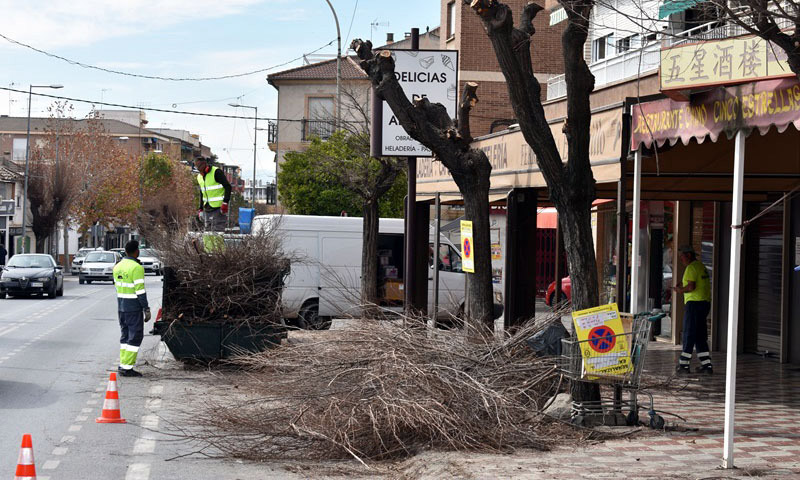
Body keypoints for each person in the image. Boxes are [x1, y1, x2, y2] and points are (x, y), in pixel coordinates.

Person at [672, 245, 712, 375]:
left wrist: (679, 290)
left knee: (689, 333)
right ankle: (707, 365)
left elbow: (691, 287)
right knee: (700, 335)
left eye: (682, 256)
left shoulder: (691, 267)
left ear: (688, 255)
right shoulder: (701, 266)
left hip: (694, 305)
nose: (681, 259)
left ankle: (684, 365)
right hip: (704, 304)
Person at [113, 240, 151, 377]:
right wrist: (146, 308)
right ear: (137, 251)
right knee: (135, 337)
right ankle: (127, 367)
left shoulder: (117, 267)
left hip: (121, 307)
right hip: (133, 308)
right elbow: (140, 291)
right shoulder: (136, 268)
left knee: (125, 337)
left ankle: (123, 364)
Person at [195, 156, 232, 233]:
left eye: (201, 170)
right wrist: (201, 208)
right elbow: (202, 192)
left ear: (205, 165)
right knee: (207, 234)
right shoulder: (199, 177)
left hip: (219, 209)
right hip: (207, 209)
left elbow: (228, 187)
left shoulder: (216, 172)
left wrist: (225, 202)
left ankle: (218, 245)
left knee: (217, 233)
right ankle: (209, 246)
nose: (200, 172)